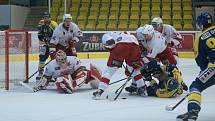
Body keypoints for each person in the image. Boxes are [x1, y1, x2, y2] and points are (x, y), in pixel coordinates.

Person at [176, 12, 215, 121]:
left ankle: (192, 111)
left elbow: (200, 59)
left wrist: (204, 71)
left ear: (201, 24)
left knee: (196, 86)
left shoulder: (200, 38)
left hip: (213, 68)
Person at [92, 32, 146, 99]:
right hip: (135, 46)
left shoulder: (106, 35)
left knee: (109, 71)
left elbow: (111, 43)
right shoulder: (121, 33)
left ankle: (99, 91)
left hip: (121, 46)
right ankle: (143, 89)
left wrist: (116, 52)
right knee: (134, 70)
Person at [33, 50, 101, 94]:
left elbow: (82, 68)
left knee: (85, 74)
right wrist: (40, 85)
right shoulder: (50, 65)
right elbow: (46, 78)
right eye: (61, 59)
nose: (63, 61)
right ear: (56, 59)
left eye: (64, 59)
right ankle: (69, 86)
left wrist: (85, 74)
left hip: (74, 76)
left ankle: (97, 75)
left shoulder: (73, 59)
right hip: (62, 78)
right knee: (60, 81)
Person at [36, 11, 58, 80]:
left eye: (47, 17)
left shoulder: (54, 24)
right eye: (44, 17)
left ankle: (54, 73)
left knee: (54, 59)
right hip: (45, 44)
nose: (46, 19)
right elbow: (39, 35)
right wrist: (44, 41)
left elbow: (58, 35)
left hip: (53, 45)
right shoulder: (41, 23)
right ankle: (40, 72)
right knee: (42, 57)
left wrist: (52, 42)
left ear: (50, 18)